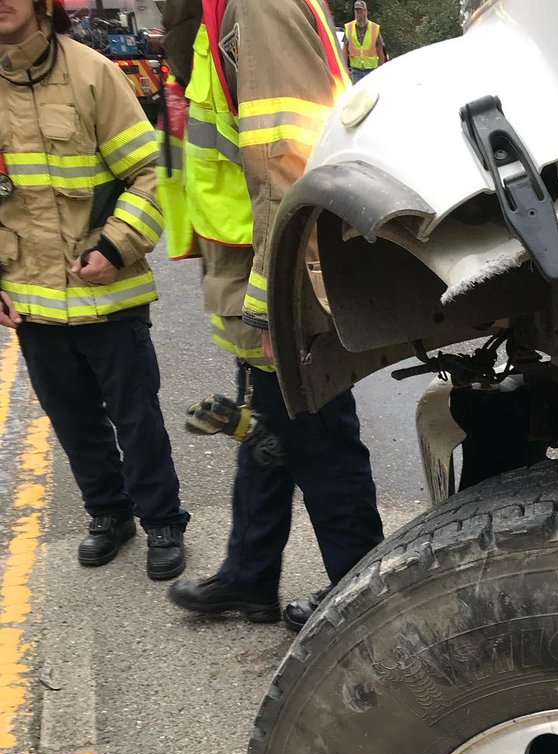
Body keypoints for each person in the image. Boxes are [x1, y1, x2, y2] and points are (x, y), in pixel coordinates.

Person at [162, 0, 383, 630]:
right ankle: (250, 576)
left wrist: (275, 294)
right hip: (251, 274)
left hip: (270, 282)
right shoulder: (220, 10)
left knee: (319, 446)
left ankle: (363, 600)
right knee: (266, 436)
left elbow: (289, 161)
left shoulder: (256, 8)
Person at [0, 0, 189, 579]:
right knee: (73, 419)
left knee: (136, 418)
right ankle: (108, 515)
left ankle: (161, 521)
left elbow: (149, 171)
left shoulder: (92, 72)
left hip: (109, 293)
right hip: (31, 299)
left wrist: (115, 247)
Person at [344, 0, 384, 82]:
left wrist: (380, 69)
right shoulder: (349, 28)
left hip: (372, 70)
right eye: (357, 11)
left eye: (361, 11)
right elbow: (345, 49)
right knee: (358, 94)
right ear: (355, 12)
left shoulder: (374, 28)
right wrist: (345, 69)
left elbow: (380, 50)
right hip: (356, 71)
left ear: (366, 11)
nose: (360, 14)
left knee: (371, 94)